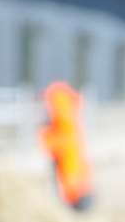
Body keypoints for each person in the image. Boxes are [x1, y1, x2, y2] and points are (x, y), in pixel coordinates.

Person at [39, 81, 93, 211]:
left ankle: (75, 204)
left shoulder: (63, 115)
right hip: (76, 186)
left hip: (75, 189)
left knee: (71, 182)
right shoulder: (67, 121)